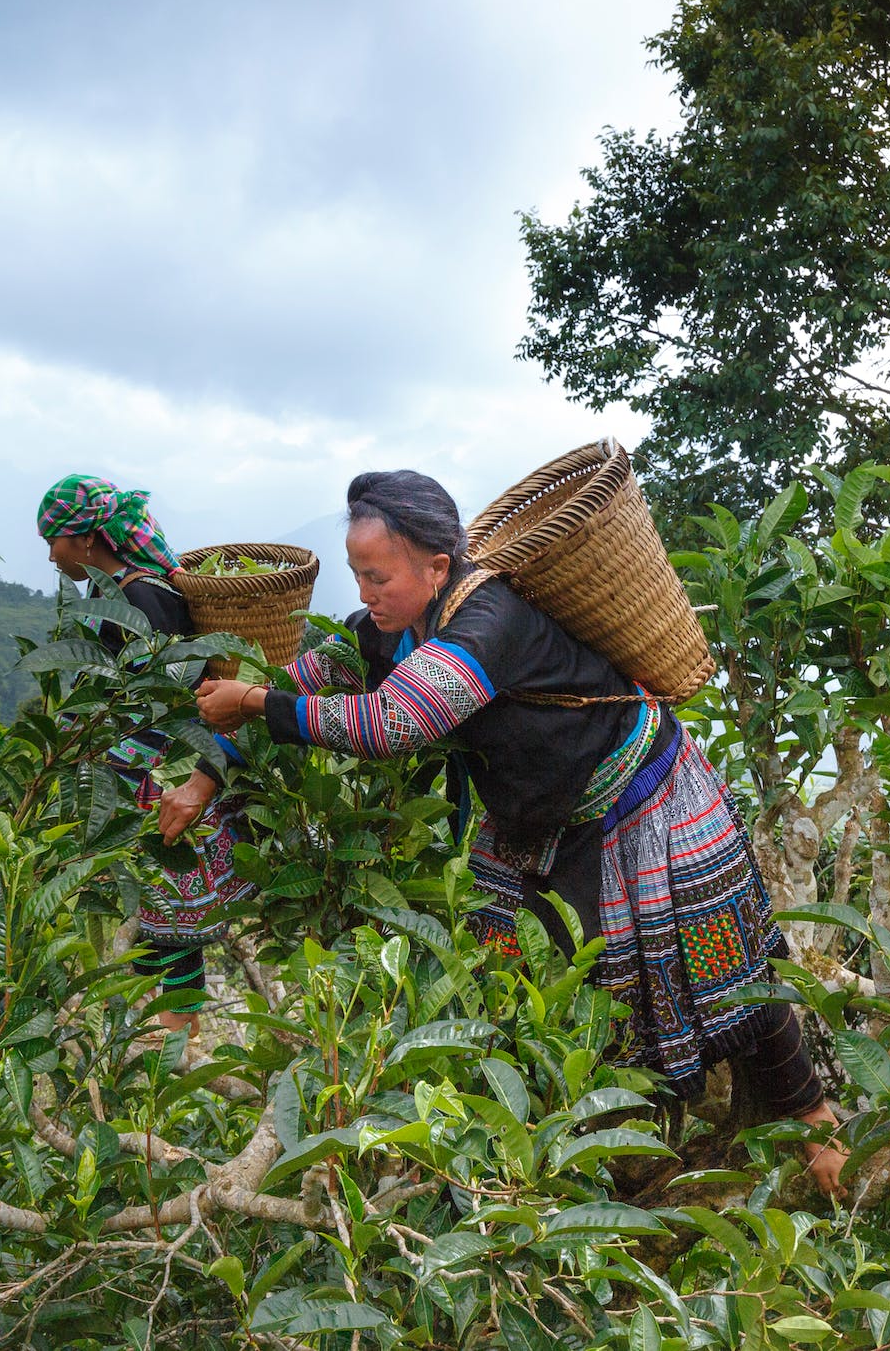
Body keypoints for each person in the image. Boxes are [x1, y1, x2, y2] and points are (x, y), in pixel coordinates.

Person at [194, 469, 849, 1196]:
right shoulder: (383, 632)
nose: (363, 593)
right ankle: (565, 1166)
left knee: (720, 965)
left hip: (645, 795)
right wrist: (207, 770)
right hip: (537, 821)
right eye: (357, 575)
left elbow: (394, 723)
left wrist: (254, 703)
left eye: (377, 576)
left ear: (437, 567)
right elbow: (302, 680)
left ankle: (815, 1120)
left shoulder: (488, 620)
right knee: (518, 978)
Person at [37, 475, 254, 1030]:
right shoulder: (115, 593)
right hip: (141, 775)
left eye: (53, 539)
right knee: (155, 920)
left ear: (86, 540)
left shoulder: (142, 597)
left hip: (163, 777)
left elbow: (165, 695)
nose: (50, 553)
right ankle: (157, 1040)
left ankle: (177, 1044)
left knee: (172, 924)